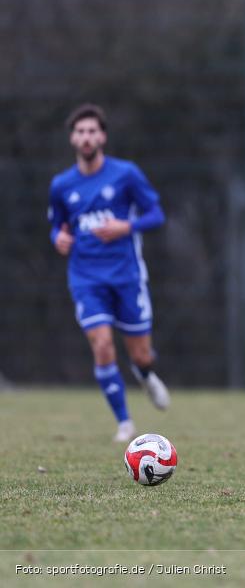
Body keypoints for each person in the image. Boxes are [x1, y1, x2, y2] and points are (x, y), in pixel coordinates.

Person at [48, 104, 170, 442]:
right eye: (81, 132)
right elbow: (56, 227)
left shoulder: (125, 174)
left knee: (140, 353)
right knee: (102, 345)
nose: (86, 137)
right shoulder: (61, 185)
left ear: (102, 136)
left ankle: (145, 374)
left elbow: (156, 214)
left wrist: (125, 226)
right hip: (86, 279)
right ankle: (125, 424)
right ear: (73, 138)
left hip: (127, 276)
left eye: (92, 131)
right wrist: (57, 237)